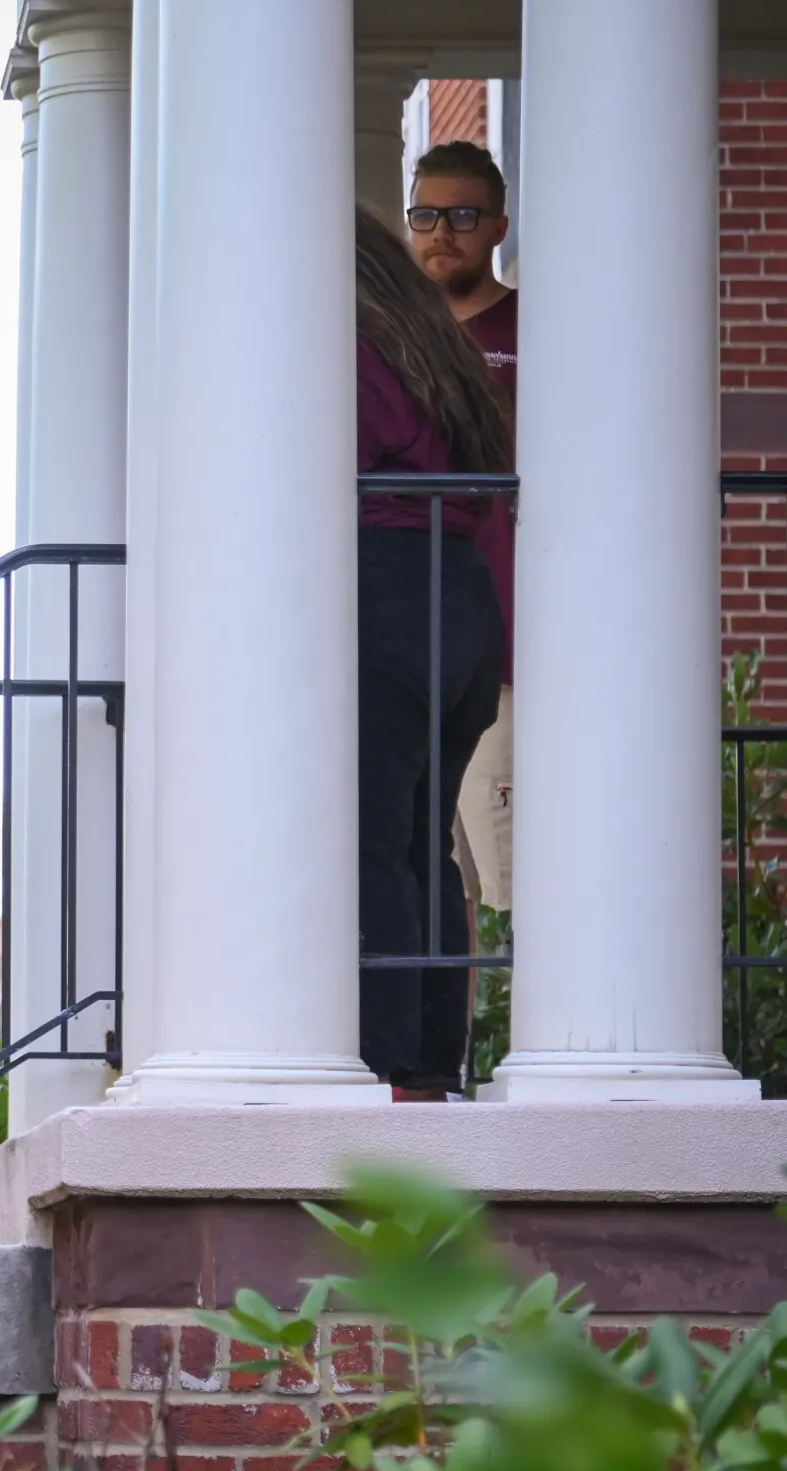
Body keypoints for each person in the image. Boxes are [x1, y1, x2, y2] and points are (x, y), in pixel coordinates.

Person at [356, 207, 513, 1100]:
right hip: (462, 597)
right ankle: (426, 1064)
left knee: (369, 840)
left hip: (388, 587)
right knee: (422, 839)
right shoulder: (431, 348)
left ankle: (379, 1065)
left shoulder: (347, 347)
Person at [407, 139, 517, 925]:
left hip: (509, 651)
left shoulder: (538, 331)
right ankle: (437, 1056)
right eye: (425, 214)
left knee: (516, 885)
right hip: (406, 651)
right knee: (431, 888)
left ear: (498, 226)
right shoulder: (393, 341)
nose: (441, 231)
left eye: (463, 215)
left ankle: (547, 1052)